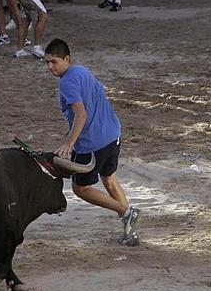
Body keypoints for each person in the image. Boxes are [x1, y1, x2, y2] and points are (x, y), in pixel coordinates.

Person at [44, 38, 141, 246]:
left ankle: (125, 211)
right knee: (109, 180)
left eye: (54, 62)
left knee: (81, 189)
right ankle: (130, 231)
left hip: (92, 144)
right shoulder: (82, 71)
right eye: (47, 62)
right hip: (113, 134)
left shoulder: (67, 82)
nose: (50, 67)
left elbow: (81, 115)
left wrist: (69, 144)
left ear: (67, 59)